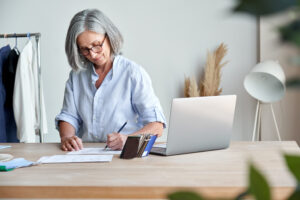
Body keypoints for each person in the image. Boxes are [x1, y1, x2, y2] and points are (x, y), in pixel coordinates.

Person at [55, 9, 166, 151]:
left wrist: (128, 141)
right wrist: (67, 137)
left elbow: (157, 126)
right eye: (85, 49)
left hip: (124, 155)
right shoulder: (76, 76)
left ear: (109, 36)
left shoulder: (132, 73)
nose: (93, 54)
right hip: (86, 155)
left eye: (97, 45)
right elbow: (69, 116)